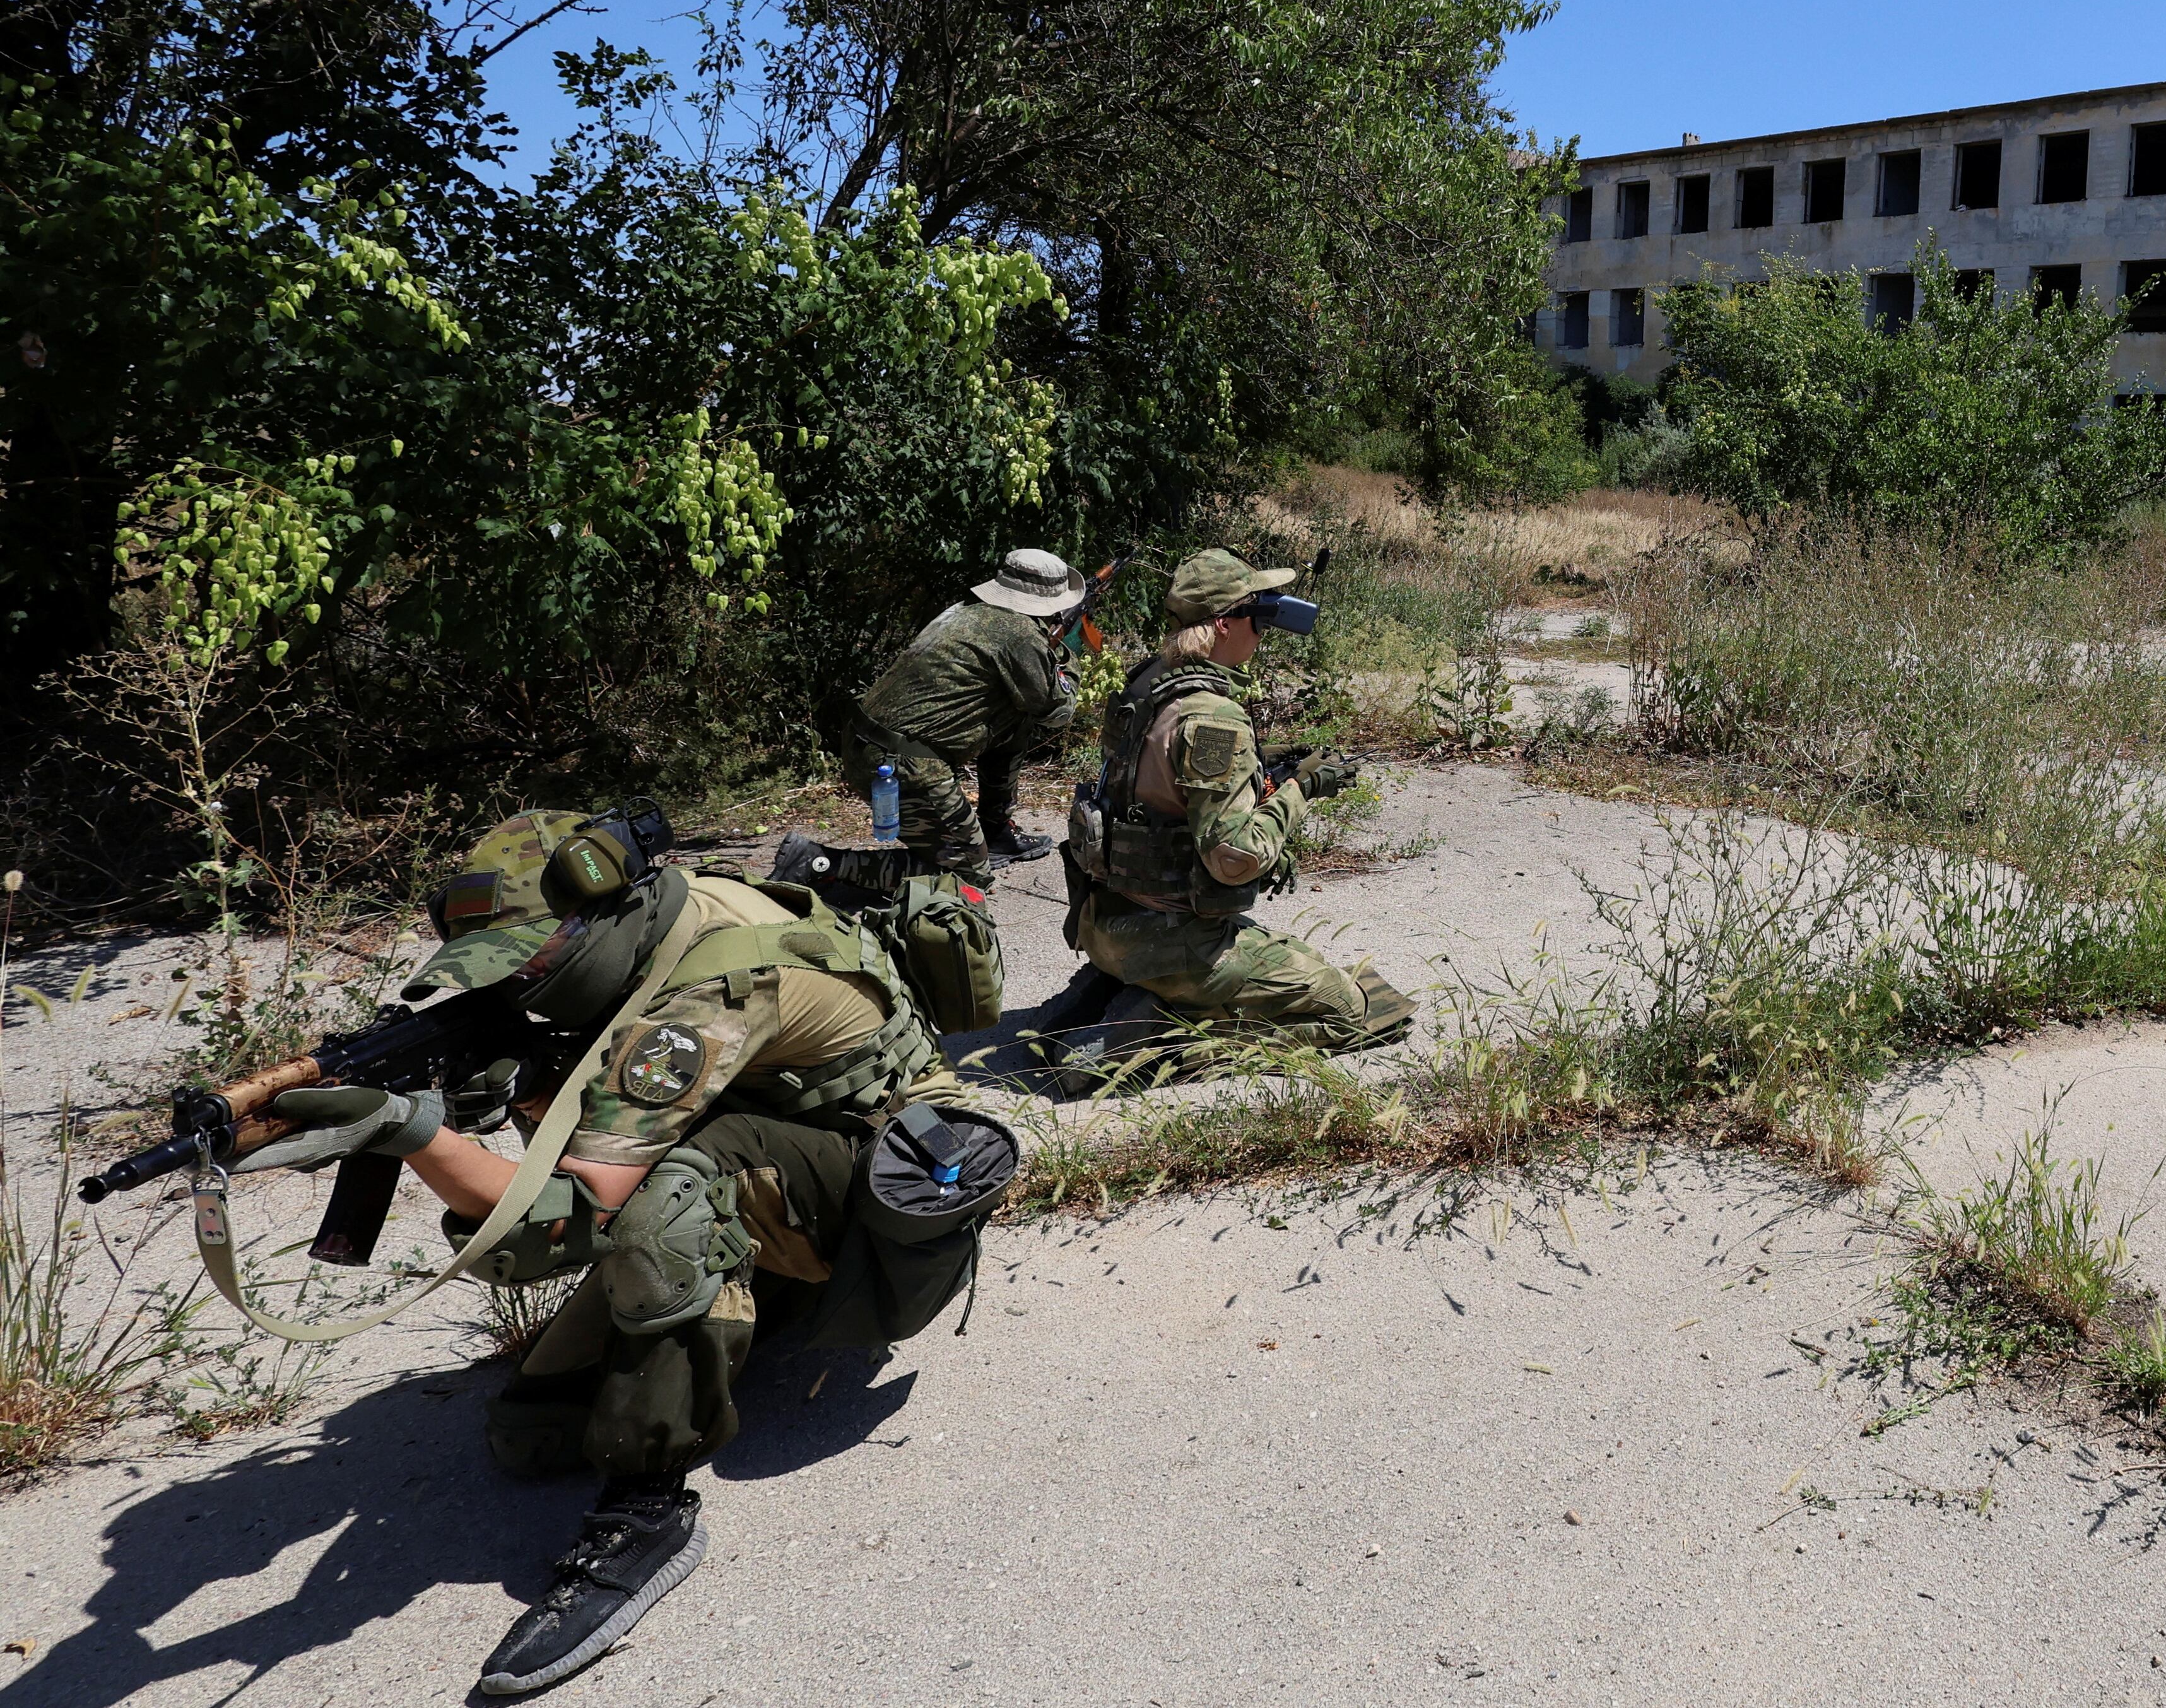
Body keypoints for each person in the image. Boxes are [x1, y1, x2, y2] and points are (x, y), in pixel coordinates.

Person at [235, 808, 1009, 1695]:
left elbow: (560, 1220)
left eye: (532, 961)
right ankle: (724, 1305)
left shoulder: (709, 993)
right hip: (782, 1144)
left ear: (604, 912)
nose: (521, 985)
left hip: (876, 1212)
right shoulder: (665, 914)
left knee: (664, 1192)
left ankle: (647, 1511)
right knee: (531, 1437)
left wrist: (408, 1132)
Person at [1061, 548, 1415, 1079]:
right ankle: (1164, 1036)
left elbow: (1155, 784)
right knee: (1352, 1011)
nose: (1265, 629)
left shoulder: (1146, 685)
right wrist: (1299, 790)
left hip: (1107, 922)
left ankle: (1131, 994)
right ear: (1224, 624)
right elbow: (1235, 859)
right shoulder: (1214, 717)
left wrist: (1261, 769)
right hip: (1174, 943)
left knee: (1307, 964)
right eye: (1258, 615)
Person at [846, 548, 1087, 880]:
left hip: (867, 745)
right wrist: (1065, 652)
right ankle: (822, 864)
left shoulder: (964, 612)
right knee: (969, 876)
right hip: (905, 767)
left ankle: (996, 830)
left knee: (1017, 716)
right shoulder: (1019, 635)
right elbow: (1059, 711)